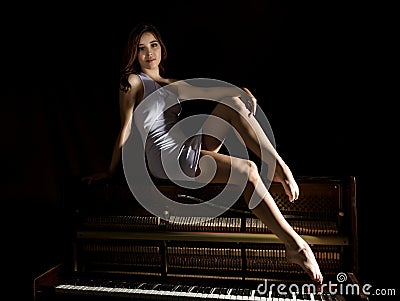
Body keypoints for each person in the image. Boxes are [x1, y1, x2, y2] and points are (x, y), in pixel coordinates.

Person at [83, 22, 323, 284]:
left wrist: (241, 91)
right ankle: (296, 246)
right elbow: (126, 127)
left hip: (186, 144)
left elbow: (211, 90)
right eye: (141, 48)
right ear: (134, 54)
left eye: (153, 45)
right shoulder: (131, 82)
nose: (149, 53)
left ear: (161, 49)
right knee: (249, 171)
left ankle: (276, 163)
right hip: (164, 157)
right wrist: (110, 171)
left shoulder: (172, 83)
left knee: (231, 102)